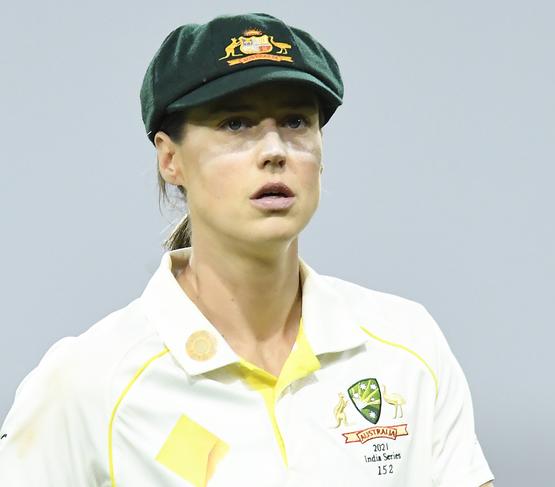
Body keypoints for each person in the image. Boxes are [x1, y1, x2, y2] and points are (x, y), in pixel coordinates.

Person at [0, 12, 495, 487]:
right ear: (170, 159)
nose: (275, 149)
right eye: (236, 124)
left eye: (297, 122)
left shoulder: (405, 347)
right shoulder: (90, 380)